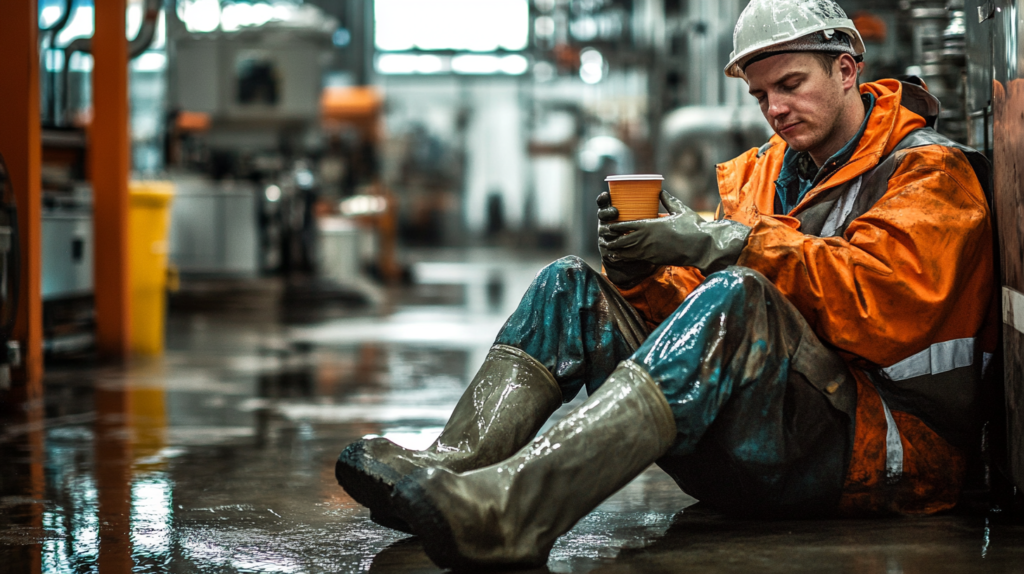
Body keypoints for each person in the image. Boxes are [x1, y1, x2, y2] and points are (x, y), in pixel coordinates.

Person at [335, 0, 998, 569]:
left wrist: (723, 242)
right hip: (768, 445)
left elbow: (886, 306)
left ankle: (512, 512)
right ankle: (450, 470)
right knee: (571, 286)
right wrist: (642, 274)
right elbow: (704, 319)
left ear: (848, 69)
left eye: (791, 84)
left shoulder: (927, 173)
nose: (775, 108)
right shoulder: (770, 172)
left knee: (740, 295)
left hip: (876, 455)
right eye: (761, 94)